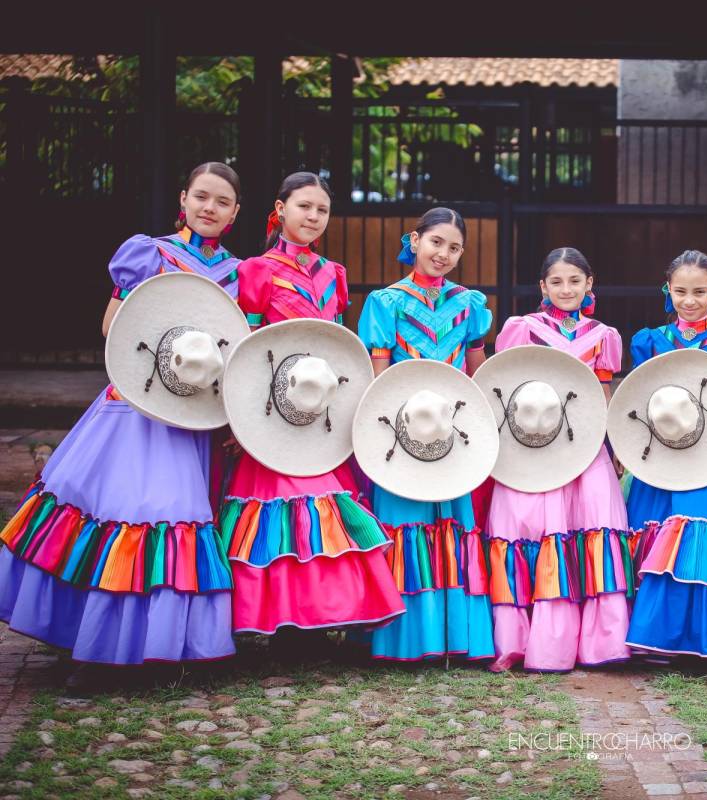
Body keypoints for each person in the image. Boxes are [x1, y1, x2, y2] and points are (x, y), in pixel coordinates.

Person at [0, 162, 244, 669]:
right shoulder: (150, 254)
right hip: (136, 404)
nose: (209, 208)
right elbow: (113, 325)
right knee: (127, 510)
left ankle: (159, 641)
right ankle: (98, 641)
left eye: (221, 202)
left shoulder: (236, 274)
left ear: (235, 213)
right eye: (202, 197)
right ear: (183, 198)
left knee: (174, 516)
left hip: (192, 413)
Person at [218, 172, 404, 638]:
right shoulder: (256, 270)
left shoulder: (334, 274)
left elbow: (337, 346)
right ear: (280, 209)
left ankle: (325, 618)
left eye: (321, 210)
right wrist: (241, 418)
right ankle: (274, 621)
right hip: (270, 408)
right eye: (304, 207)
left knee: (328, 502)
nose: (313, 217)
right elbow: (245, 347)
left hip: (319, 407)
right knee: (281, 504)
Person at [357, 207, 496, 662]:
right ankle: (405, 637)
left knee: (451, 524)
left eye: (454, 247)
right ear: (414, 240)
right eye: (436, 242)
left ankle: (453, 638)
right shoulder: (386, 302)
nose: (444, 253)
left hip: (452, 431)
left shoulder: (470, 304)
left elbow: (476, 373)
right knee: (405, 523)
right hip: (400, 429)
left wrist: (480, 426)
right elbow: (380, 377)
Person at [484, 248, 633, 671]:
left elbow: (603, 393)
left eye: (574, 281)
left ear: (589, 284)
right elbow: (507, 388)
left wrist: (612, 444)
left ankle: (600, 644)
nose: (566, 289)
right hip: (532, 445)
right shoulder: (522, 329)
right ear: (542, 287)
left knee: (593, 527)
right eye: (557, 281)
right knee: (529, 529)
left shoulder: (603, 335)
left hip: (585, 449)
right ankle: (524, 642)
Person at [622, 250, 707, 662]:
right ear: (668, 290)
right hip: (656, 457)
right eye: (681, 291)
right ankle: (653, 638)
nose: (690, 300)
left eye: (699, 291)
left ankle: (701, 641)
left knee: (697, 534)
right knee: (655, 532)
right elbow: (637, 404)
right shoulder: (649, 342)